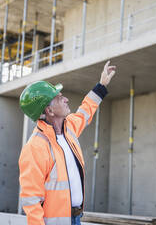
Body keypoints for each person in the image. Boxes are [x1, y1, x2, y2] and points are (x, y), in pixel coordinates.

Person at [18, 61, 116, 225]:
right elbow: (31, 200)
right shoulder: (35, 147)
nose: (66, 99)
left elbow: (85, 110)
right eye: (59, 97)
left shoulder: (68, 128)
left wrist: (102, 84)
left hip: (76, 218)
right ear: (49, 110)